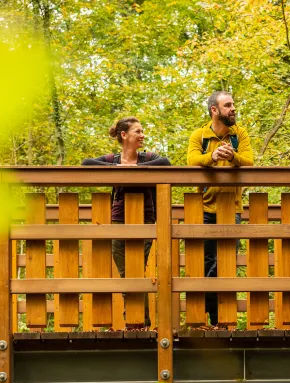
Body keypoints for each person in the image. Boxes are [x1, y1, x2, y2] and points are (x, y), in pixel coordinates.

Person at [82, 116, 170, 328]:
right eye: (137, 131)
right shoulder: (112, 160)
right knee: (126, 271)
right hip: (118, 220)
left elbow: (166, 163)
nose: (142, 135)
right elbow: (86, 164)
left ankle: (136, 322)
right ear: (124, 135)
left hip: (145, 220)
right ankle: (140, 321)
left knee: (136, 269)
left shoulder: (148, 157)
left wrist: (133, 171)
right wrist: (119, 168)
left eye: (142, 131)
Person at [186, 91, 254, 327]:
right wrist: (212, 156)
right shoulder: (199, 135)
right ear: (214, 110)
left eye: (233, 104)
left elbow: (250, 162)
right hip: (203, 208)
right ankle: (213, 319)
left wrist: (232, 155)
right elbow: (191, 162)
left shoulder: (239, 134)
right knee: (205, 262)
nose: (233, 108)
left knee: (226, 263)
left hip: (231, 208)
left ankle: (215, 315)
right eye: (228, 105)